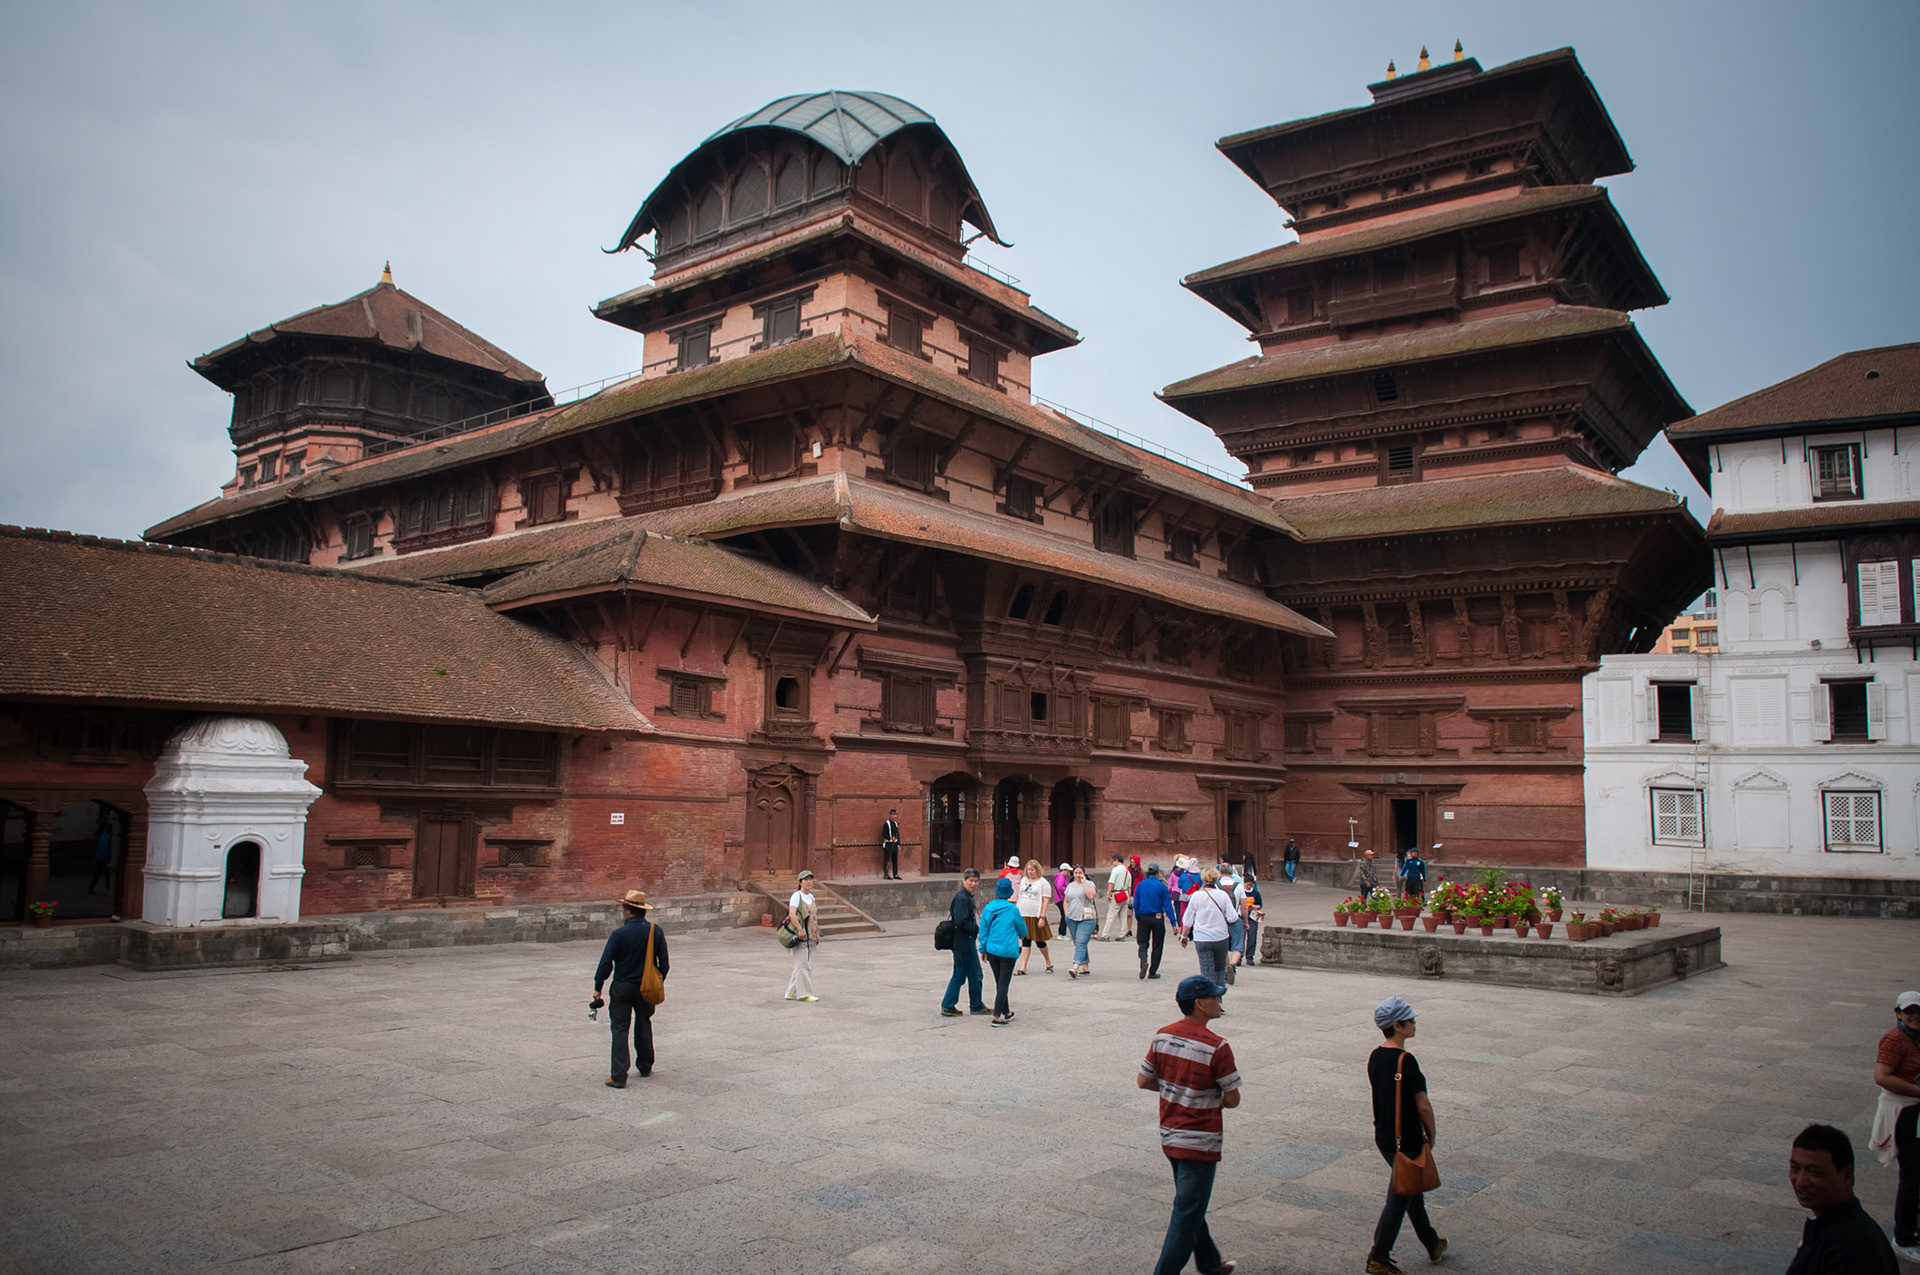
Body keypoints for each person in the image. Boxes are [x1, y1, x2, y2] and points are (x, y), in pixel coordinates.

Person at [1136, 974, 1241, 1275]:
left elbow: (1144, 1080)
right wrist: (1205, 1093)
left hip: (1170, 1135)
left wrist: (1175, 1087)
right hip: (1200, 1140)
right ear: (1199, 1005)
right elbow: (1232, 1098)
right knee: (1186, 1214)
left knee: (1190, 1204)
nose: (1219, 1001)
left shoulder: (1163, 1035)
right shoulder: (1217, 1046)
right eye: (1215, 997)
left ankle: (1210, 1265)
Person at [1367, 995, 1445, 1274]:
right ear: (1397, 1026)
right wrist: (1431, 1134)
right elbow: (1423, 1104)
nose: (1414, 1024)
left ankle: (1433, 1242)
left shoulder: (1375, 1056)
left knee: (1411, 1191)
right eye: (1410, 1020)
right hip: (1407, 1139)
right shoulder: (1406, 1061)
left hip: (1385, 1137)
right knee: (1399, 1198)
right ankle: (1378, 1257)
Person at [1786, 1123, 1899, 1273]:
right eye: (1795, 1169)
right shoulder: (1831, 1227)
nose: (1801, 1182)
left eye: (1814, 1172)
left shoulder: (1852, 1250)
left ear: (1846, 1175)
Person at [592, 889, 668, 1088]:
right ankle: (645, 1064)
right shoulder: (655, 931)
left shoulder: (619, 934)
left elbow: (606, 962)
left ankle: (618, 1075)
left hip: (622, 986)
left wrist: (598, 986)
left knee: (619, 1028)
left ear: (628, 911)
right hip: (645, 987)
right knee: (644, 1022)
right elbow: (665, 963)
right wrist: (657, 981)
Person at [1872, 990, 1920, 1261]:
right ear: (1898, 1013)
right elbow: (1882, 1077)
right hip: (1904, 1113)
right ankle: (1904, 1238)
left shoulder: (1916, 1037)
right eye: (1909, 1010)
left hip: (1915, 1110)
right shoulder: (1895, 1039)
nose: (1914, 1015)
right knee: (1911, 1177)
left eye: (1919, 1011)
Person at [1181, 868, 1236, 1010]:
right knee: (1219, 970)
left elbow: (1187, 919)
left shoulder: (1196, 896)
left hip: (1202, 938)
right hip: (1221, 937)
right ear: (1216, 879)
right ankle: (1218, 1000)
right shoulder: (1223, 895)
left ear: (1204, 880)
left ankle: (1209, 1001)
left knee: (1207, 970)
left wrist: (1184, 936)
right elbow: (1232, 917)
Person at [939, 869, 988, 1017]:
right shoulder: (962, 898)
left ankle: (951, 1004)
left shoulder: (967, 896)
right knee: (972, 974)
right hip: (963, 942)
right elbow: (960, 921)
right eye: (970, 881)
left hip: (963, 942)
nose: (973, 884)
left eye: (975, 881)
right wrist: (976, 928)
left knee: (962, 974)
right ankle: (974, 1005)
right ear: (964, 881)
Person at [978, 876, 1025, 1026]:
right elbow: (1022, 930)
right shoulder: (1012, 910)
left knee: (999, 981)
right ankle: (996, 1016)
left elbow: (983, 930)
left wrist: (983, 948)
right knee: (1003, 983)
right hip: (1008, 951)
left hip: (992, 950)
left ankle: (1007, 1012)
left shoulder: (989, 908)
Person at [784, 869, 820, 1002]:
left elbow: (813, 918)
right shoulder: (796, 896)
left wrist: (816, 934)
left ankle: (791, 992)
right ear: (800, 882)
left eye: (810, 879)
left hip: (810, 935)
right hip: (800, 935)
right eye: (806, 880)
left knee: (800, 964)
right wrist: (799, 929)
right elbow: (792, 914)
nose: (809, 882)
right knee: (804, 966)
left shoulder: (811, 897)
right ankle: (804, 993)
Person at [1015, 859, 1055, 974]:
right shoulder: (1023, 880)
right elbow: (1020, 896)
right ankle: (1023, 967)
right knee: (1025, 941)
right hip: (1023, 913)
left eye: (1032, 870)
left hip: (1036, 915)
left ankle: (1048, 962)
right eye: (1028, 870)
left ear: (1037, 870)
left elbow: (1046, 900)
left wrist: (1042, 917)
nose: (1030, 872)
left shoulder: (1043, 882)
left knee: (1040, 941)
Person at [1134, 862, 1173, 980]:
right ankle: (1153, 971)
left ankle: (1144, 961)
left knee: (1142, 942)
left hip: (1143, 917)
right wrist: (1173, 922)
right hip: (1157, 917)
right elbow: (1167, 905)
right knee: (1157, 944)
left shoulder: (1141, 885)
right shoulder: (1161, 886)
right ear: (1157, 873)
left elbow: (1136, 903)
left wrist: (1137, 916)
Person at [1063, 864, 1097, 977]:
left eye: (1080, 872)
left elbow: (1091, 895)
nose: (1078, 875)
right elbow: (1066, 901)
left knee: (1081, 942)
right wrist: (1066, 914)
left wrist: (1084, 883)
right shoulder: (1070, 886)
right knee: (1079, 942)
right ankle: (1085, 966)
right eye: (1076, 873)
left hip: (1087, 918)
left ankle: (1075, 966)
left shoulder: (1089, 884)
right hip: (1072, 917)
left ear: (1084, 873)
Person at [1098, 852, 1131, 942]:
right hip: (1125, 894)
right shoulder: (1127, 871)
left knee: (1111, 916)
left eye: (1113, 861)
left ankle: (1105, 935)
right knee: (1123, 916)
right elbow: (1129, 886)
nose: (1112, 863)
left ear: (1116, 860)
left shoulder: (1115, 870)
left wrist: (1108, 894)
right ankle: (1122, 935)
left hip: (1117, 894)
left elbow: (1111, 882)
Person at [1241, 870, 1264, 966]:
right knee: (1241, 938)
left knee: (1252, 937)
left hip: (1252, 918)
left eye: (1251, 885)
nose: (1249, 887)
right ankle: (1239, 956)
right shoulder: (1241, 892)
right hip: (1242, 917)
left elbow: (1260, 905)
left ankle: (1250, 956)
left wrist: (1253, 906)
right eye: (1247, 885)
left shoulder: (1256, 893)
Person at [880, 809, 901, 880]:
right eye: (893, 814)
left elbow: (897, 834)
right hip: (888, 844)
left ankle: (895, 874)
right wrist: (890, 838)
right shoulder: (886, 824)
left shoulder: (895, 824)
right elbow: (883, 834)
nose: (895, 816)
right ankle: (886, 874)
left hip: (895, 844)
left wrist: (898, 844)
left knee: (895, 860)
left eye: (895, 815)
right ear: (890, 815)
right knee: (887, 860)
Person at [1052, 861, 1072, 934]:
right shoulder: (1061, 877)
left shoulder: (1061, 877)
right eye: (1067, 870)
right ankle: (1062, 933)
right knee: (1064, 916)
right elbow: (1059, 887)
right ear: (1064, 870)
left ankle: (1062, 932)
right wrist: (1067, 891)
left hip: (1060, 899)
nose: (1068, 872)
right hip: (1061, 899)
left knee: (1064, 915)